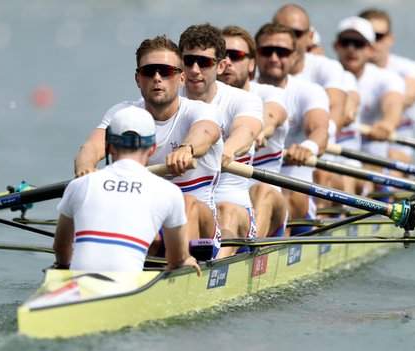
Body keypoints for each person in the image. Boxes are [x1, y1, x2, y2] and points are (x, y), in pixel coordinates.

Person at [74, 35, 224, 258]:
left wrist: (187, 149)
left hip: (200, 223)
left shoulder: (200, 111)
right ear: (137, 79)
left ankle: (181, 269)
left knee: (185, 203)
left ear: (181, 77)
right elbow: (91, 146)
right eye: (149, 71)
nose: (157, 78)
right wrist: (85, 168)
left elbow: (205, 132)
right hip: (147, 217)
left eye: (165, 71)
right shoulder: (123, 114)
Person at [54, 105, 201, 274]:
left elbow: (60, 248)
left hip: (77, 283)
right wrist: (186, 259)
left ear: (109, 146)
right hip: (126, 285)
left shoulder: (80, 184)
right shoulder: (169, 192)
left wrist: (64, 267)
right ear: (152, 148)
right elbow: (176, 261)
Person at [178, 24, 263, 257]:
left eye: (204, 63)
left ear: (221, 66)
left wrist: (228, 150)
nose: (195, 70)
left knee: (226, 210)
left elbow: (246, 131)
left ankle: (213, 272)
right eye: (189, 61)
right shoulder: (167, 102)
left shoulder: (243, 101)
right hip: (181, 206)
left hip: (231, 205)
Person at [255, 22, 330, 231]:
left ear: (295, 57)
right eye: (267, 51)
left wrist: (308, 147)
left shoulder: (308, 91)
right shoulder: (243, 90)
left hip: (294, 186)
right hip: (247, 182)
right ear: (256, 54)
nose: (274, 58)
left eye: (282, 52)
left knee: (277, 194)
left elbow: (320, 131)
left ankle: (254, 252)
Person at [220, 25, 289, 237]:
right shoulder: (205, 100)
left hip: (266, 199)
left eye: (236, 56)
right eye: (222, 56)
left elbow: (271, 116)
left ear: (251, 64)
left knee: (261, 190)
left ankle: (250, 251)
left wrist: (259, 132)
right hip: (223, 202)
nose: (228, 62)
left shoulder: (270, 94)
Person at [359, 8, 415, 164]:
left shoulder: (409, 70)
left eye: (378, 36)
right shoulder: (345, 73)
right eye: (366, 37)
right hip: (355, 151)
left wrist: (388, 121)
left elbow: (408, 95)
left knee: (386, 156)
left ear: (390, 39)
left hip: (396, 149)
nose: (372, 42)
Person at [333, 16, 404, 160]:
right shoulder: (326, 74)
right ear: (336, 46)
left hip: (372, 157)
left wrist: (387, 124)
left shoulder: (387, 79)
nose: (351, 49)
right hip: (334, 154)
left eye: (358, 44)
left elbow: (393, 103)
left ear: (371, 49)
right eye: (346, 42)